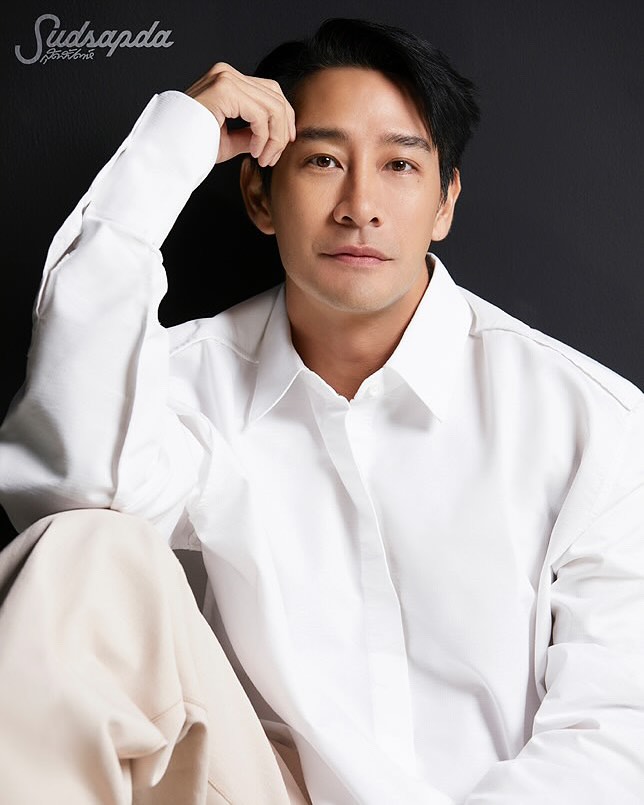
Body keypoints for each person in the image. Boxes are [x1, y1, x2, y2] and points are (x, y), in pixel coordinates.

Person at [0, 16, 642, 805]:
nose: (359, 205)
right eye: (323, 160)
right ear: (259, 194)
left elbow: (615, 732)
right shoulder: (186, 382)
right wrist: (171, 149)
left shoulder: (595, 424)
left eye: (400, 164)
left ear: (445, 203)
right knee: (83, 544)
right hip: (256, 788)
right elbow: (68, 491)